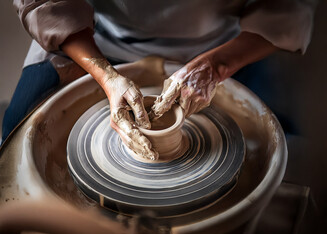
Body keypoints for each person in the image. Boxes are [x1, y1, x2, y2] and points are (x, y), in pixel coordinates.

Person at [1, 0, 317, 159]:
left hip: (224, 46)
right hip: (90, 38)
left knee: (284, 154)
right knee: (15, 148)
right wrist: (107, 76)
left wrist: (217, 65)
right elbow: (45, 3)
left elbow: (289, 9)